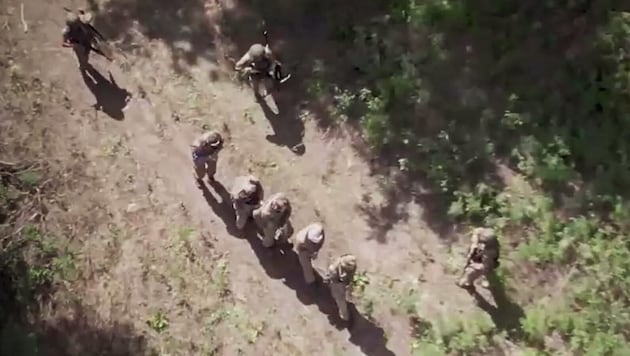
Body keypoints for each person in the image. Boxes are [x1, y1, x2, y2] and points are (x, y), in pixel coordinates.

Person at [324, 254, 357, 322]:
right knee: (340, 299)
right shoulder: (334, 270)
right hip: (336, 283)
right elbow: (332, 279)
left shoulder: (352, 265)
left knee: (342, 296)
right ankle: (345, 317)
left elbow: (351, 275)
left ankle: (346, 310)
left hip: (342, 282)